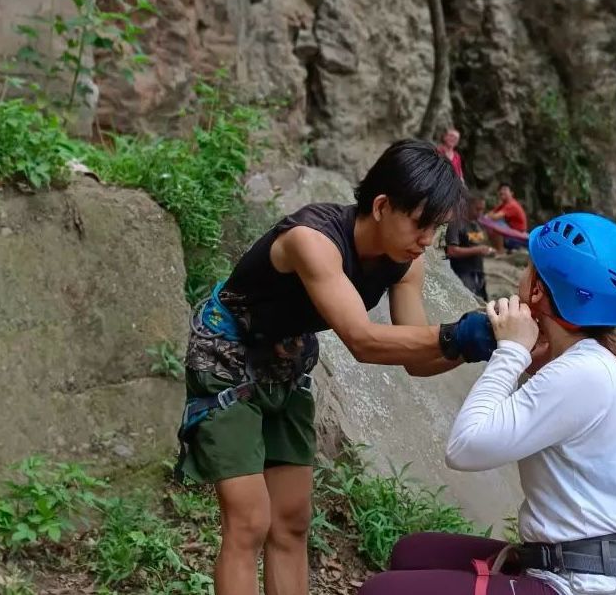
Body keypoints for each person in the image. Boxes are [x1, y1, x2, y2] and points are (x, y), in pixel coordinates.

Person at [175, 139, 501, 595]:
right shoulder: (312, 240)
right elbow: (362, 340)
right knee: (249, 520)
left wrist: (478, 346)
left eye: (437, 228)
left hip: (286, 361)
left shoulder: (406, 263)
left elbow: (413, 361)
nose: (428, 240)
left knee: (291, 520)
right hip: (226, 353)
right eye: (421, 224)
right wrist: (457, 334)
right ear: (383, 205)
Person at [359, 212, 616, 595]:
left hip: (588, 583)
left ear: (537, 288)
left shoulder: (582, 374)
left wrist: (511, 353)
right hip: (579, 562)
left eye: (528, 267)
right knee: (413, 552)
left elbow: (465, 447)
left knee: (381, 593)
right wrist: (519, 355)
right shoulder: (594, 358)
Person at [445, 195, 495, 300]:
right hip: (462, 272)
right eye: (477, 209)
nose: (480, 213)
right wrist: (478, 250)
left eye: (482, 210)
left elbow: (478, 243)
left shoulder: (477, 224)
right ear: (467, 206)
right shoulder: (456, 224)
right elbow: (452, 251)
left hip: (478, 271)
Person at [487, 182, 528, 254]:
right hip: (512, 234)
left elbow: (494, 217)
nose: (502, 192)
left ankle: (500, 250)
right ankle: (497, 248)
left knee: (495, 224)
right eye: (500, 190)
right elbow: (488, 215)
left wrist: (489, 217)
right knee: (489, 223)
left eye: (505, 190)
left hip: (519, 238)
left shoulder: (512, 205)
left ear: (512, 193)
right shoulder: (503, 204)